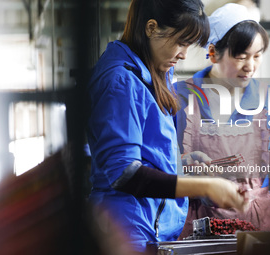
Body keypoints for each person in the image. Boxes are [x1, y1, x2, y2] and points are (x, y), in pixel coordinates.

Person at [86, 0, 249, 252]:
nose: (184, 54)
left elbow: (147, 155)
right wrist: (207, 186)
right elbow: (124, 173)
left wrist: (182, 162)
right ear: (151, 28)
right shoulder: (121, 81)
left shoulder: (154, 75)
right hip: (125, 232)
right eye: (181, 42)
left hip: (150, 230)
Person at [175, 3, 270, 239]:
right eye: (241, 57)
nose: (251, 67)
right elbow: (160, 166)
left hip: (258, 229)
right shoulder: (178, 99)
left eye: (257, 56)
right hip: (196, 230)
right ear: (213, 53)